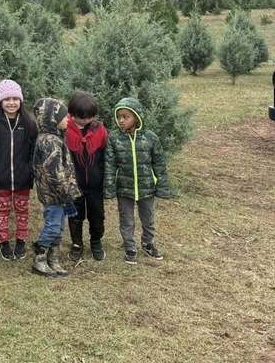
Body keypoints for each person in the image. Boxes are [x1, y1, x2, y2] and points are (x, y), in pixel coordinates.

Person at [103, 97, 174, 265]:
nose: (121, 120)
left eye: (125, 116)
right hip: (124, 189)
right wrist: (109, 188)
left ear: (136, 117)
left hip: (147, 188)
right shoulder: (114, 139)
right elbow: (109, 165)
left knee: (148, 218)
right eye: (119, 116)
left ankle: (148, 243)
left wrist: (162, 186)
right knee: (126, 219)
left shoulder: (150, 138)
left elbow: (159, 163)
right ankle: (129, 247)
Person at [30, 97, 81, 278]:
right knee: (52, 226)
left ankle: (54, 258)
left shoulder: (56, 137)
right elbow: (54, 173)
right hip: (54, 195)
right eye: (64, 116)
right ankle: (39, 257)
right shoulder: (49, 141)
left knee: (59, 227)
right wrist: (66, 193)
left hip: (59, 194)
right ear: (52, 118)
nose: (69, 119)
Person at [0, 79, 37, 261]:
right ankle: (3, 242)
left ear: (21, 100)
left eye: (16, 98)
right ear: (0, 101)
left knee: (22, 211)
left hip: (23, 178)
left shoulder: (28, 124)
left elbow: (33, 150)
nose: (12, 102)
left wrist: (30, 169)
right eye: (7, 99)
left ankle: (21, 241)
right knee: (2, 211)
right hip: (2, 177)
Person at [65, 90, 108, 262]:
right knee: (75, 216)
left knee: (97, 215)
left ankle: (96, 241)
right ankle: (77, 243)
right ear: (72, 114)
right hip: (74, 185)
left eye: (89, 117)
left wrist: (106, 178)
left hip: (96, 185)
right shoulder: (65, 130)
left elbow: (106, 155)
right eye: (81, 117)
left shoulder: (100, 130)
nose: (85, 121)